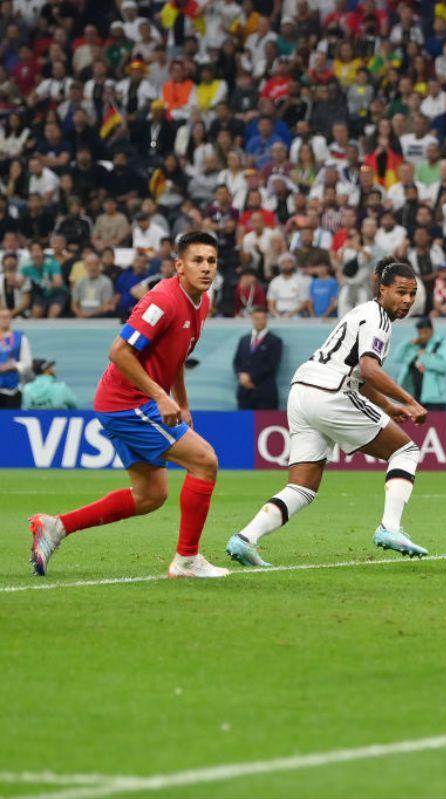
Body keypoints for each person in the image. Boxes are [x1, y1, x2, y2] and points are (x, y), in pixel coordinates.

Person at [29, 232, 229, 579]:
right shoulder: (162, 301)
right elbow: (119, 352)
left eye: (211, 261)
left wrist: (181, 401)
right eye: (197, 261)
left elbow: (177, 355)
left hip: (130, 403)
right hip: (128, 403)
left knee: (150, 496)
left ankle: (55, 527)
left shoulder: (202, 303)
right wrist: (161, 396)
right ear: (179, 266)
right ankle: (187, 560)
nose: (206, 268)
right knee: (205, 462)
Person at [225, 259, 430, 568]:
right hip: (330, 393)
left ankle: (244, 539)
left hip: (302, 391)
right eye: (401, 292)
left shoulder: (361, 312)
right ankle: (390, 527)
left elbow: (360, 373)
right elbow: (369, 370)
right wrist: (410, 401)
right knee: (405, 450)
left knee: (302, 486)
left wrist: (388, 406)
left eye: (412, 294)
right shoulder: (379, 320)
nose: (407, 300)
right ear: (383, 289)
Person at [394, 317, 446, 412]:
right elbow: (397, 357)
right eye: (420, 331)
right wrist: (408, 343)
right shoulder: (414, 345)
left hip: (435, 400)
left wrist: (424, 357)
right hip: (413, 396)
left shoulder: (440, 344)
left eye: (425, 331)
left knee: (436, 425)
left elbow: (445, 366)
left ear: (431, 330)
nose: (422, 334)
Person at [233, 307, 283, 410]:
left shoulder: (275, 341)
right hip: (244, 396)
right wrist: (241, 376)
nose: (260, 321)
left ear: (266, 319)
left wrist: (250, 377)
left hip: (265, 395)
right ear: (252, 319)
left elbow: (271, 365)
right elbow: (237, 362)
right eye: (257, 318)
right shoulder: (244, 340)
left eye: (262, 318)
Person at [0, 306, 32, 408]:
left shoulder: (20, 337)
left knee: (10, 420)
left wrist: (14, 366)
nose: (4, 320)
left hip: (13, 389)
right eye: (1, 317)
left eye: (7, 317)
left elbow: (27, 363)